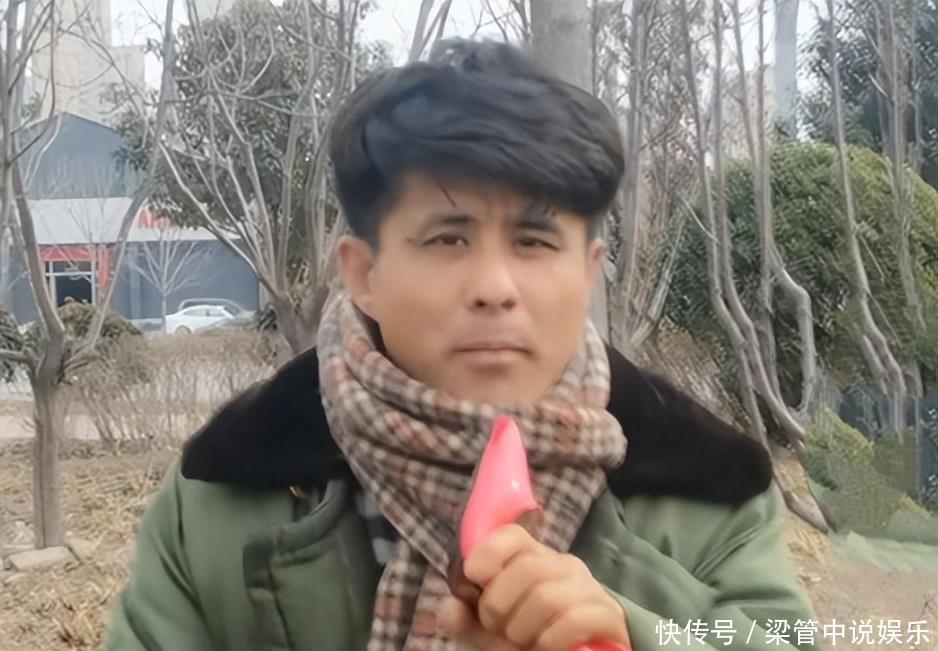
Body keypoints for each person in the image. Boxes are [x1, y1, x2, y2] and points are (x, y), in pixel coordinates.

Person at [107, 39, 818, 651]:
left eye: (534, 241)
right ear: (365, 274)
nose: (494, 288)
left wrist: (630, 630)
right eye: (448, 239)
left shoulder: (708, 483)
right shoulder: (223, 494)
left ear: (587, 271)